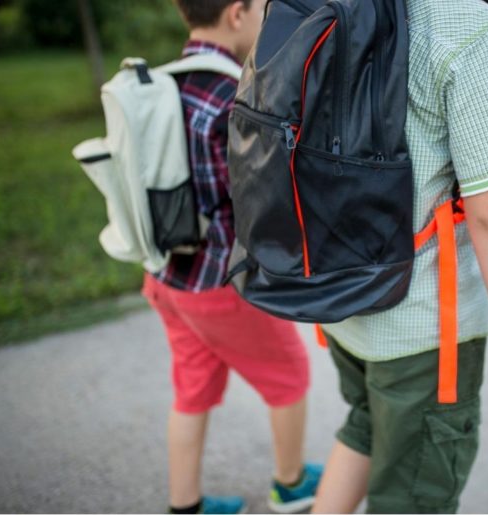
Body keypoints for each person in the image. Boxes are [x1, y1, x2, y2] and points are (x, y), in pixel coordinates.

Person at [312, 0, 488, 512]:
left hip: (336, 294)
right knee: (414, 495)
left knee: (367, 425)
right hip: (421, 325)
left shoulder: (325, 6)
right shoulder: (470, 26)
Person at [141, 1, 321, 513]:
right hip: (219, 284)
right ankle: (290, 483)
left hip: (166, 278)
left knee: (191, 390)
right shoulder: (231, 97)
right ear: (236, 13)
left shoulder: (162, 85)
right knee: (289, 373)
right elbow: (253, 199)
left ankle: (186, 505)